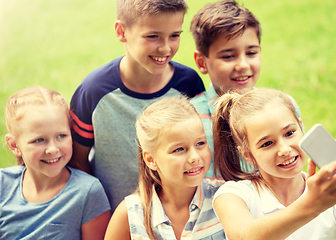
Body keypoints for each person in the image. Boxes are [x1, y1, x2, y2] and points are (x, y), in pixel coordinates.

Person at [69, 0, 205, 212]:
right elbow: (78, 162)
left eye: (175, 35)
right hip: (114, 216)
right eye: (153, 36)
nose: (165, 47)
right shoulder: (93, 91)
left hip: (179, 217)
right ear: (122, 31)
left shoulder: (189, 84)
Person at [211, 88, 336, 240]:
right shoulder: (234, 195)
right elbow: (243, 236)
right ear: (247, 155)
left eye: (290, 133)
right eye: (267, 143)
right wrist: (312, 205)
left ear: (301, 127)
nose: (284, 149)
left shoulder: (335, 202)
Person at [189, 0, 301, 177]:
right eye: (228, 56)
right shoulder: (190, 118)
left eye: (251, 53)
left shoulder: (283, 107)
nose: (243, 65)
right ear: (202, 62)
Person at [104, 96, 225, 240]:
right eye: (179, 149)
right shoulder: (129, 214)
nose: (194, 157)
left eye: (200, 143)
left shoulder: (225, 198)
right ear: (150, 160)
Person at [0, 86, 110, 240]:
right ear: (15, 145)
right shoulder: (3, 184)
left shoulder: (88, 192)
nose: (52, 149)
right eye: (39, 140)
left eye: (61, 136)